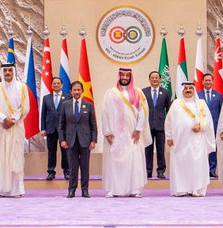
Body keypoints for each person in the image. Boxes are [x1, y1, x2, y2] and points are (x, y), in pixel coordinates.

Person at [102, 68, 152, 197]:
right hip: (115, 135)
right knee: (114, 161)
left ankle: (134, 189)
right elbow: (104, 113)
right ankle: (114, 189)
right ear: (118, 76)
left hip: (133, 134)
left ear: (130, 77)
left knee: (133, 161)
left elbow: (143, 112)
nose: (124, 77)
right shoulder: (110, 93)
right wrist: (107, 132)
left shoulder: (138, 92)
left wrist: (138, 129)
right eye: (122, 75)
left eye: (127, 75)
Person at [166, 82, 216, 197]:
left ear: (194, 90)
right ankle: (181, 189)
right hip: (179, 142)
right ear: (182, 91)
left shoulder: (201, 104)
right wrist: (169, 136)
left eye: (190, 88)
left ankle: (196, 189)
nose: (188, 90)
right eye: (186, 89)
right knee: (181, 165)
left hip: (197, 142)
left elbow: (208, 120)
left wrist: (201, 126)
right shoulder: (176, 104)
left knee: (196, 166)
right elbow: (168, 121)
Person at [0, 63, 30, 198]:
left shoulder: (22, 87)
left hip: (16, 127)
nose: (7, 72)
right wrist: (3, 119)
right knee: (1, 158)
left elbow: (25, 107)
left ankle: (16, 190)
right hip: (1, 128)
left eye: (9, 70)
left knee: (16, 157)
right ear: (1, 72)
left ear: (13, 71)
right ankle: (0, 189)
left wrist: (12, 120)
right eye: (5, 70)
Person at [59, 81, 97, 198]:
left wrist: (93, 140)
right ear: (71, 91)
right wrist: (62, 140)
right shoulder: (65, 105)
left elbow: (93, 125)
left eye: (78, 90)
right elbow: (61, 125)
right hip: (70, 141)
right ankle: (72, 190)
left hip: (85, 141)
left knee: (85, 167)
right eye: (74, 90)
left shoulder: (89, 105)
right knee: (72, 167)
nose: (76, 92)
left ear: (82, 91)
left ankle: (85, 190)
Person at [142, 71, 171, 179]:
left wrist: (169, 126)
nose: (154, 80)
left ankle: (160, 171)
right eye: (152, 78)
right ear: (149, 79)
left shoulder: (165, 92)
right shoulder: (143, 92)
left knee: (160, 149)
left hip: (160, 126)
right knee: (147, 149)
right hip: (147, 126)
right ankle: (147, 171)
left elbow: (169, 110)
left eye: (156, 78)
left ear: (160, 79)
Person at [41, 77, 71, 181]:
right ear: (51, 85)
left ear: (62, 85)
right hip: (50, 128)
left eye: (58, 83)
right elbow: (43, 114)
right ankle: (50, 172)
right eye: (54, 83)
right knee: (51, 151)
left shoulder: (68, 97)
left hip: (64, 129)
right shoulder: (46, 98)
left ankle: (66, 172)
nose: (56, 85)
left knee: (65, 152)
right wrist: (43, 128)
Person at [197, 73, 223, 178]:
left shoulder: (218, 95)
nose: (208, 82)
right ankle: (201, 170)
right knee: (201, 148)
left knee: (213, 148)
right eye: (206, 80)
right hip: (201, 127)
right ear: (202, 82)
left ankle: (212, 170)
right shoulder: (197, 95)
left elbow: (221, 112)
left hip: (215, 126)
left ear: (212, 81)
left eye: (209, 80)